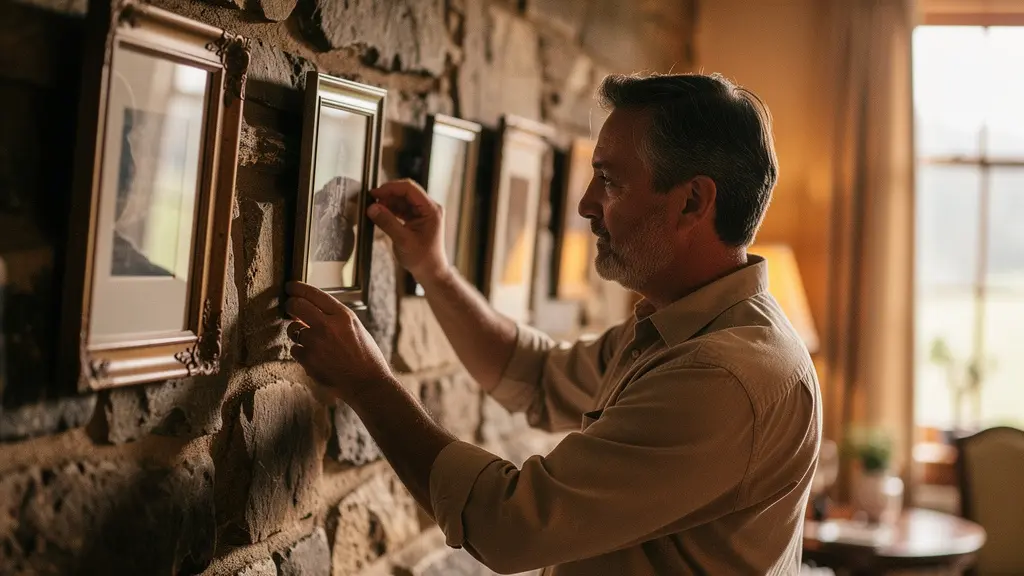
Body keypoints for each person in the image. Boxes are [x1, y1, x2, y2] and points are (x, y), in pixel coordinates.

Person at [284, 72, 822, 575]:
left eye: (609, 181)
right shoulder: (681, 325)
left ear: (692, 201)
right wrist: (435, 271)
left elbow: (510, 525)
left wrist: (368, 385)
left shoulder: (722, 376)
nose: (585, 205)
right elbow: (537, 376)